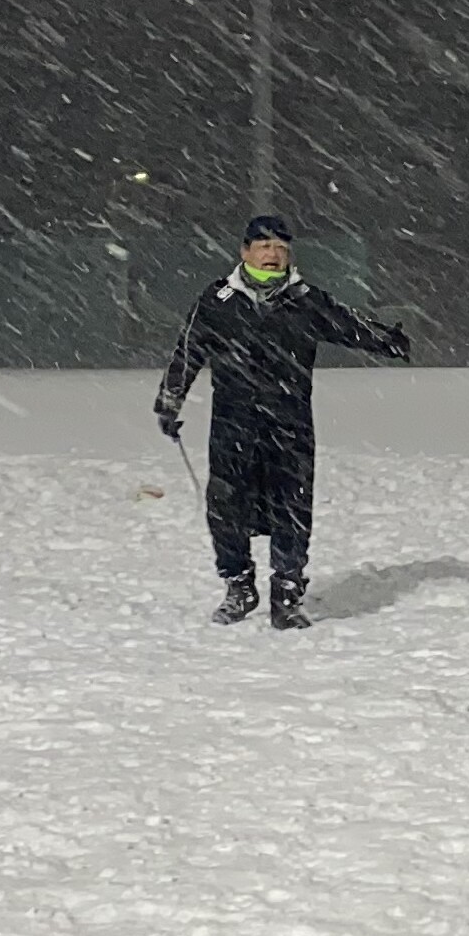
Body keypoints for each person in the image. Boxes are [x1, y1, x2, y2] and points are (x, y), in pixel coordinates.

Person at [153, 213, 410, 628]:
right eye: (264, 246)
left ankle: (287, 595)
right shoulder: (218, 300)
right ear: (245, 252)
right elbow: (188, 350)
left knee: (292, 507)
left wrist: (387, 340)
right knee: (226, 508)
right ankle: (239, 586)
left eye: (280, 247)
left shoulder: (306, 300)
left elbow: (349, 325)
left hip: (290, 424)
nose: (272, 254)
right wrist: (169, 400)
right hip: (233, 423)